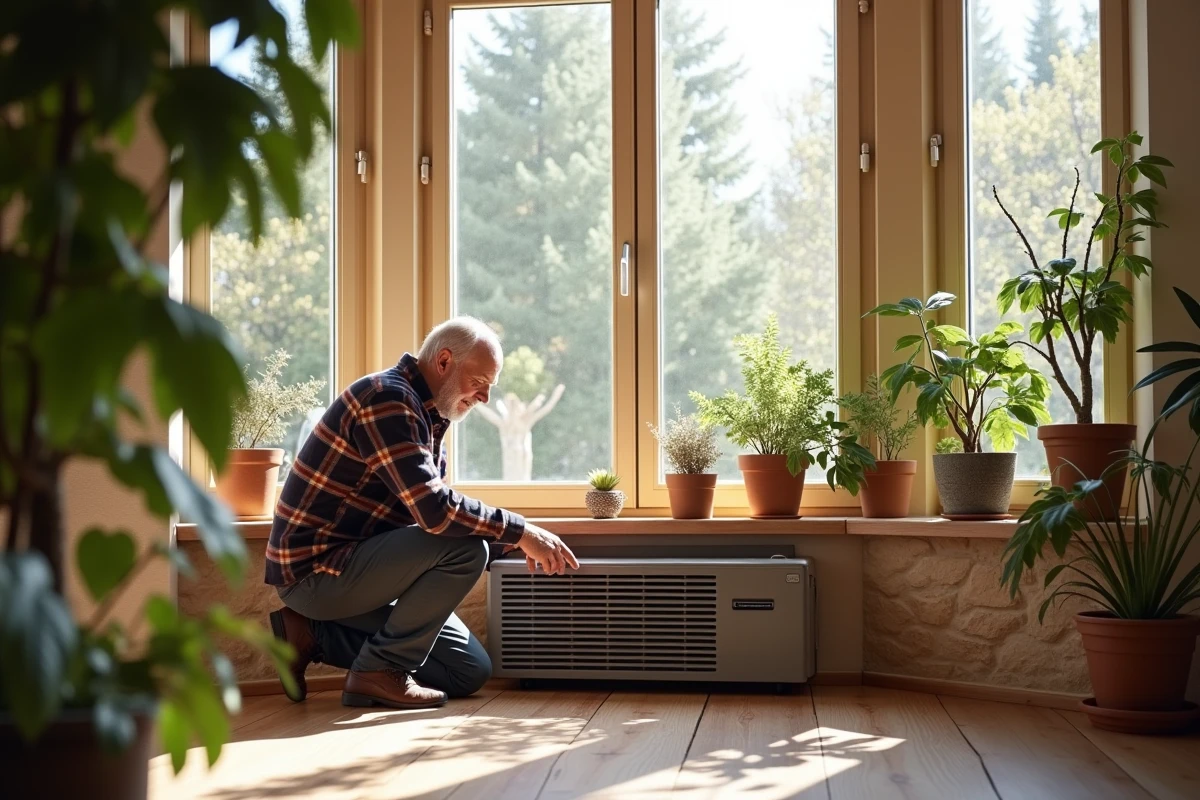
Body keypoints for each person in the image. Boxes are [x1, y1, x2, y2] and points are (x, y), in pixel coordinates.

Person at [264, 317, 579, 709]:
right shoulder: (386, 399)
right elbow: (435, 513)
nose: (483, 398)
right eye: (479, 382)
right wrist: (518, 531)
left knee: (467, 672)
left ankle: (310, 634)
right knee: (466, 551)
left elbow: (422, 518)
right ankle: (378, 673)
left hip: (357, 567)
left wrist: (507, 545)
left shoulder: (427, 416)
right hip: (315, 574)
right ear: (444, 360)